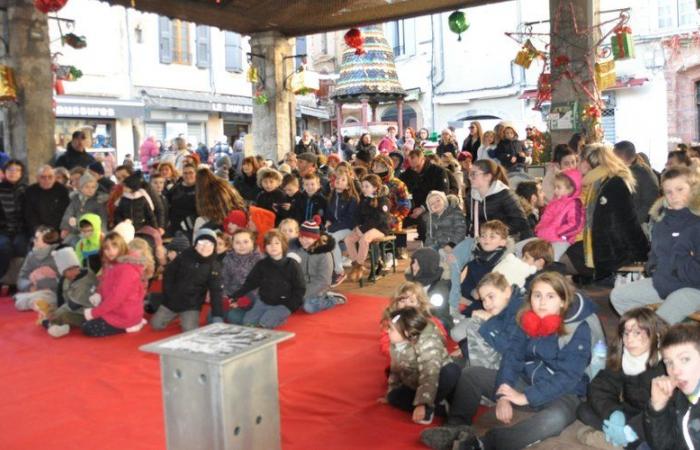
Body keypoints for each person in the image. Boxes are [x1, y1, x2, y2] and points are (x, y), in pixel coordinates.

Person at [421, 272, 595, 450]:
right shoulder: (528, 319)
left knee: (554, 419)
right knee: (471, 375)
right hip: (526, 381)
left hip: (564, 393)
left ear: (563, 301)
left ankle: (483, 444)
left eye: (550, 296)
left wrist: (525, 397)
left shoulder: (577, 329)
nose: (542, 302)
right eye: (537, 295)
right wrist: (504, 393)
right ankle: (454, 429)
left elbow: (568, 377)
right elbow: (513, 357)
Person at [610, 166, 700, 324]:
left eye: (680, 189)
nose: (674, 196)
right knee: (618, 296)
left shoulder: (697, 222)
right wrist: (652, 266)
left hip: (693, 288)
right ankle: (644, 333)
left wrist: (674, 268)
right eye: (669, 191)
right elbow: (655, 253)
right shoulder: (661, 221)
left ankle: (654, 337)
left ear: (693, 189)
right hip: (664, 281)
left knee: (664, 317)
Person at [576, 308, 667, 448]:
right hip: (630, 414)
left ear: (656, 335)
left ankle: (615, 441)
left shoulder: (668, 364)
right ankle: (621, 440)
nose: (629, 339)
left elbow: (668, 411)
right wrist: (614, 413)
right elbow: (599, 386)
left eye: (637, 333)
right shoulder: (625, 358)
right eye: (626, 333)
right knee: (584, 410)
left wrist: (632, 430)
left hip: (657, 419)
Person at [561, 144, 649, 282]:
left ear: (589, 162)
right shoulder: (597, 183)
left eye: (580, 160)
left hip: (612, 253)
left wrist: (643, 256)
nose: (577, 165)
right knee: (555, 262)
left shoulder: (614, 183)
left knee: (556, 264)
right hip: (600, 250)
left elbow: (628, 224)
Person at [381, 307, 461, 425]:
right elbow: (395, 370)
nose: (387, 332)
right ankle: (440, 407)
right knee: (394, 397)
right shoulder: (396, 343)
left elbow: (429, 374)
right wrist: (391, 392)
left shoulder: (428, 341)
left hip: (436, 377)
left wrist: (422, 404)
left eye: (391, 329)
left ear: (407, 332)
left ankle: (430, 406)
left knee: (451, 371)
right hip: (416, 381)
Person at [229, 229, 306, 329]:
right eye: (269, 244)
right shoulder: (262, 264)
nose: (273, 246)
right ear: (265, 247)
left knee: (265, 323)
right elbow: (250, 283)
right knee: (248, 322)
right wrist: (236, 295)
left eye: (277, 243)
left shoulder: (292, 264)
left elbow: (300, 288)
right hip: (264, 301)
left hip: (284, 304)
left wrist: (291, 306)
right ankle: (272, 317)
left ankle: (278, 318)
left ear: (283, 245)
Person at [151, 228, 224, 332]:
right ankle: (155, 299)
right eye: (201, 243)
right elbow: (168, 274)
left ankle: (182, 314)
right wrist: (168, 295)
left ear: (214, 247)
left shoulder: (215, 266)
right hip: (172, 300)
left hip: (191, 304)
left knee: (189, 330)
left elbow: (216, 291)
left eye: (209, 244)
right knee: (156, 325)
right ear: (195, 244)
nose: (205, 247)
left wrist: (217, 315)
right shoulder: (184, 256)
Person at [449, 272, 524, 370]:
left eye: (491, 296)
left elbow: (509, 349)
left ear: (507, 292)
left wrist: (490, 320)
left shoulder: (521, 311)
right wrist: (466, 348)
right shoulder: (504, 306)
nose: (486, 304)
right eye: (483, 300)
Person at [645, 322, 700, 449]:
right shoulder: (681, 396)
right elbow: (664, 446)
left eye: (685, 359)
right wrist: (657, 407)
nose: (675, 371)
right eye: (669, 362)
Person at [81, 242, 149, 337]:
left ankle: (130, 326)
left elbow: (116, 298)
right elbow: (104, 283)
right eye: (106, 249)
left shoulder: (126, 270)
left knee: (88, 327)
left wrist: (94, 313)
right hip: (116, 309)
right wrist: (98, 293)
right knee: (84, 322)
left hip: (124, 313)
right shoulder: (112, 265)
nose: (109, 252)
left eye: (113, 248)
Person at [290, 218, 346, 313]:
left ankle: (331, 299)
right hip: (300, 286)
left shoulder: (324, 254)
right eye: (301, 237)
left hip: (318, 287)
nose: (304, 241)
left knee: (309, 307)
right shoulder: (295, 249)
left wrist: (302, 294)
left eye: (308, 238)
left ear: (316, 238)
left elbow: (324, 280)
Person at [345, 174, 391, 282]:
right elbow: (357, 215)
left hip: (380, 229)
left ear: (375, 187)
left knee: (364, 239)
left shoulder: (384, 201)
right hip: (364, 228)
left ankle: (359, 265)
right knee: (349, 239)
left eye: (367, 186)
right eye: (363, 186)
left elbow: (379, 219)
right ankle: (356, 263)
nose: (363, 189)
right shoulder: (363, 198)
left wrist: (363, 229)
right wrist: (357, 226)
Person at [400, 149, 450, 242]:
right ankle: (399, 248)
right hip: (411, 208)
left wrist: (423, 208)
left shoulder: (438, 172)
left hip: (431, 207)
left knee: (424, 220)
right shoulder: (407, 174)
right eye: (412, 167)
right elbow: (400, 189)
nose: (415, 169)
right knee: (396, 220)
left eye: (417, 166)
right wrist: (407, 208)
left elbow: (442, 193)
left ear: (423, 159)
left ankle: (427, 245)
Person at [534, 168, 585, 255]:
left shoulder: (574, 204)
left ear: (570, 189)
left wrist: (560, 233)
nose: (555, 190)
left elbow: (576, 224)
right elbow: (546, 218)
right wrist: (539, 228)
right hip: (546, 238)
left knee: (553, 259)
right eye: (555, 187)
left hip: (560, 241)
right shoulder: (555, 202)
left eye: (558, 187)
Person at [370, 155, 411, 259]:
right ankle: (376, 254)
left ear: (388, 168)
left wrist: (396, 217)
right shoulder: (370, 183)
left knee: (392, 223)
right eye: (374, 166)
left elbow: (405, 205)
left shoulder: (398, 184)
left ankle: (395, 251)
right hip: (375, 216)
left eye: (380, 166)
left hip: (393, 216)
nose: (376, 169)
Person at [220, 229, 263, 324]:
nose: (242, 246)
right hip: (233, 296)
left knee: (233, 317)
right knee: (212, 318)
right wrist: (226, 297)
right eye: (237, 242)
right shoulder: (228, 259)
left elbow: (261, 285)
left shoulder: (259, 260)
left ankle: (254, 317)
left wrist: (242, 301)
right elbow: (223, 280)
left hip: (253, 298)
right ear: (233, 244)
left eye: (246, 242)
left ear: (252, 242)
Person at [325, 166, 359, 286]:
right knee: (324, 239)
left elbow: (350, 220)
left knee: (332, 238)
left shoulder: (352, 199)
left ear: (348, 185)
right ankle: (328, 269)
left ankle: (339, 272)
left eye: (343, 179)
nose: (339, 181)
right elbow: (328, 214)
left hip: (349, 228)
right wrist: (328, 221)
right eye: (337, 179)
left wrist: (332, 227)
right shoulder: (331, 197)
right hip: (335, 227)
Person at [613, 140, 660, 225]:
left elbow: (650, 201)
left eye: (614, 156)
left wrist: (634, 221)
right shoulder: (619, 171)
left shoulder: (643, 173)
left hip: (636, 225)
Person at [60, 172, 108, 246]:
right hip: (75, 229)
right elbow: (68, 213)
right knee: (66, 243)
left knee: (78, 244)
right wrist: (65, 228)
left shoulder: (98, 201)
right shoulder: (76, 199)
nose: (90, 190)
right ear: (81, 187)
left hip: (91, 231)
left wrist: (102, 232)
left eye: (93, 187)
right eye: (87, 187)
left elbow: (103, 219)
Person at [0, 159, 27, 279]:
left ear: (21, 173)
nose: (13, 173)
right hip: (2, 230)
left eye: (17, 170)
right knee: (4, 247)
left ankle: (16, 282)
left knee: (20, 247)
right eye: (10, 170)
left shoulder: (26, 190)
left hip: (21, 229)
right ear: (4, 172)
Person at [24, 165, 70, 234]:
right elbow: (29, 213)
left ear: (54, 178)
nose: (47, 180)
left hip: (56, 228)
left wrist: (51, 229)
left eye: (50, 177)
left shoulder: (62, 190)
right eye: (43, 177)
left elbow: (63, 212)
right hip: (36, 228)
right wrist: (38, 228)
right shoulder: (30, 191)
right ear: (37, 178)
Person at [166, 163, 197, 237]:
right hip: (174, 225)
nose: (188, 176)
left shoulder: (200, 188)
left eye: (191, 173)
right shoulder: (176, 188)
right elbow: (167, 203)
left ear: (196, 174)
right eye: (185, 173)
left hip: (192, 226)